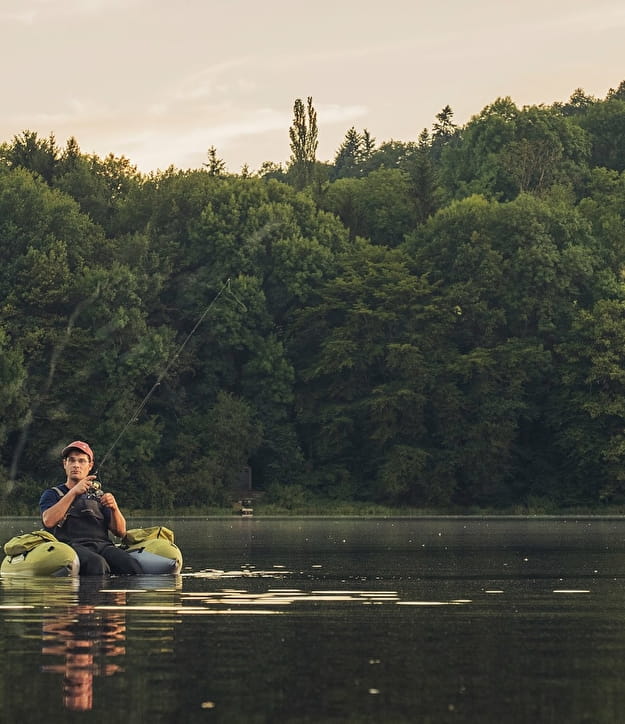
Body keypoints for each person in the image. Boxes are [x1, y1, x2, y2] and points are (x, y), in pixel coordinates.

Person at [39, 441, 143, 575]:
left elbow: (121, 532)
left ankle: (118, 595)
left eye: (81, 461)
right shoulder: (52, 494)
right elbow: (48, 521)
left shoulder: (99, 496)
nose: (76, 465)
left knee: (131, 564)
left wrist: (114, 508)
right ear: (65, 464)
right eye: (72, 460)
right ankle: (93, 596)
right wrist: (73, 492)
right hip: (71, 547)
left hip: (103, 546)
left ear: (90, 466)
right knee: (96, 563)